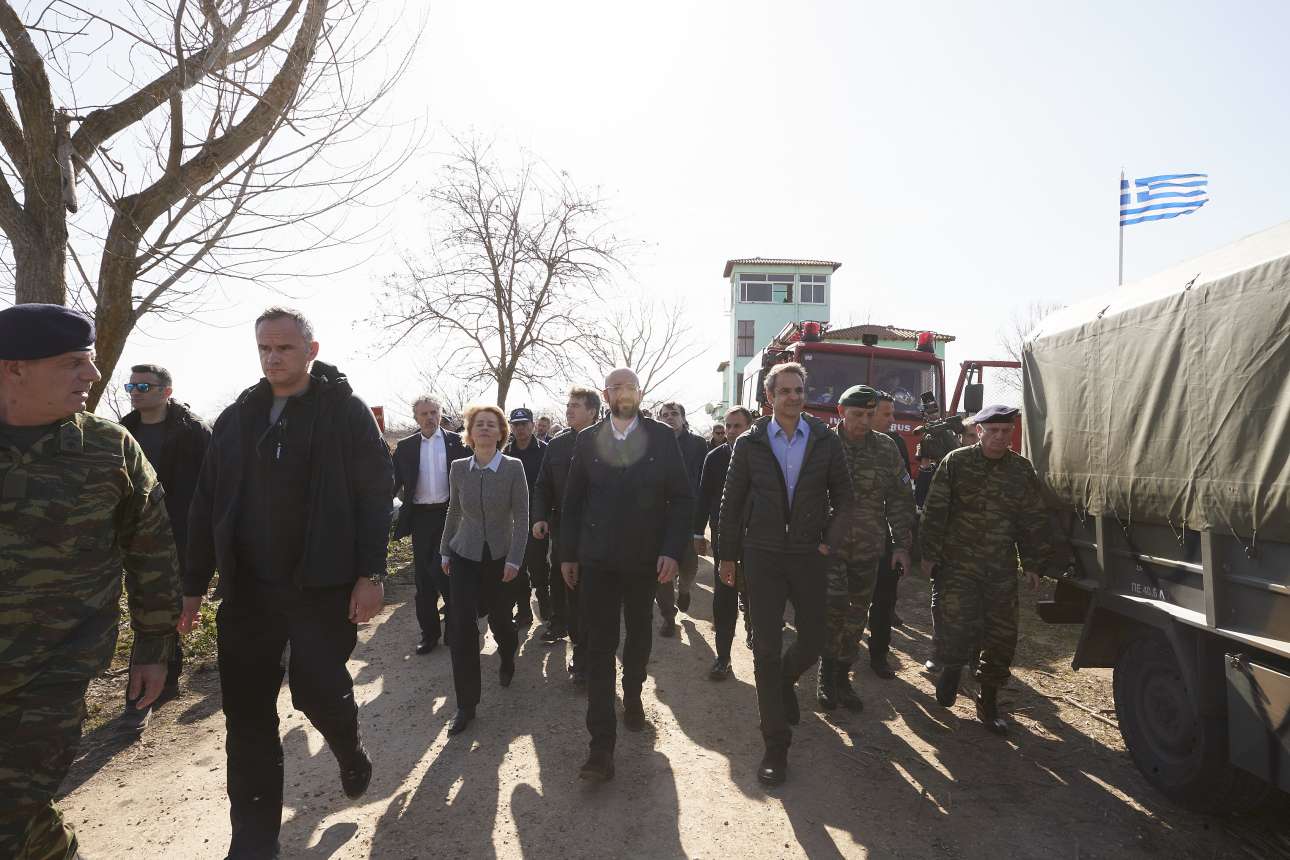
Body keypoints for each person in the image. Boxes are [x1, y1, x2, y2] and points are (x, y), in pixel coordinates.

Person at [184, 307, 393, 859]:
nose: (273, 358)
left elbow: (375, 496)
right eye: (264, 349)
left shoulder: (344, 413)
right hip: (249, 592)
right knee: (247, 717)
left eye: (284, 348)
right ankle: (254, 844)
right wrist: (191, 585)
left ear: (311, 350)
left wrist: (371, 574)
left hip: (321, 588)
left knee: (318, 691)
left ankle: (348, 749)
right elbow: (207, 503)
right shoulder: (238, 418)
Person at [0, 304, 181, 860]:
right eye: (73, 363)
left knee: (10, 813)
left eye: (91, 363)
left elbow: (151, 552)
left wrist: (153, 647)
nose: (92, 376)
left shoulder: (109, 449)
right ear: (14, 369)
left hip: (55, 669)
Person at [717, 362, 853, 787]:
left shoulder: (824, 439)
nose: (793, 396)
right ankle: (775, 746)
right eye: (785, 391)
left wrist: (830, 541)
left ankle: (784, 682)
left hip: (809, 556)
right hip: (763, 557)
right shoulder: (751, 442)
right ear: (769, 397)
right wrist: (727, 556)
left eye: (798, 390)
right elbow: (732, 502)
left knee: (813, 640)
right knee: (766, 650)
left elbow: (846, 499)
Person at [560, 368, 693, 782]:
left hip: (643, 561)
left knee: (637, 635)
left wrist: (672, 550)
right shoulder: (587, 441)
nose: (622, 393)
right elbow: (573, 502)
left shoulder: (661, 438)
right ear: (606, 394)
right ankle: (600, 748)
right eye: (615, 387)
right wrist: (568, 554)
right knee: (600, 647)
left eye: (629, 386)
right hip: (597, 562)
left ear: (640, 392)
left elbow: (682, 499)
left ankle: (633, 693)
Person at [919, 404, 1056, 734]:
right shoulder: (957, 462)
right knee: (954, 624)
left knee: (1001, 636)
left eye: (1005, 431)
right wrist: (930, 554)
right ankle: (951, 666)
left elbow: (1031, 519)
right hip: (957, 564)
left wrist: (1033, 564)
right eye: (992, 431)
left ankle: (989, 700)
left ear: (1012, 433)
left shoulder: (1020, 470)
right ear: (978, 432)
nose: (999, 437)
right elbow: (936, 509)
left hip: (1000, 567)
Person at [117, 363, 212, 733]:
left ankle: (146, 692)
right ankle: (162, 678)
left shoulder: (194, 431)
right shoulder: (123, 432)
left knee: (170, 600)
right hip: (134, 531)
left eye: (144, 385)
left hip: (181, 531)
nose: (136, 391)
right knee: (145, 598)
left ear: (166, 391)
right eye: (132, 385)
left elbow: (211, 484)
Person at [818, 386, 914, 712]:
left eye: (869, 415)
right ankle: (826, 674)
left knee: (857, 612)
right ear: (841, 412)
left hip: (869, 546)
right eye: (857, 414)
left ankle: (844, 675)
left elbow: (901, 499)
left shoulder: (886, 448)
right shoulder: (822, 444)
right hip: (828, 546)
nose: (864, 421)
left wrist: (901, 545)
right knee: (832, 609)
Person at [439, 404, 530, 735]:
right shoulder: (459, 467)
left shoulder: (513, 467)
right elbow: (452, 511)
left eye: (492, 424)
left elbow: (522, 516)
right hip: (464, 554)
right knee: (461, 627)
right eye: (480, 424)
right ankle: (466, 705)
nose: (486, 429)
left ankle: (507, 655)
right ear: (470, 431)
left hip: (500, 557)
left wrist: (515, 559)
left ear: (501, 432)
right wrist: (444, 550)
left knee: (502, 622)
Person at [392, 395, 469, 654]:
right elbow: (391, 483)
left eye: (433, 412)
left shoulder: (457, 442)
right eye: (423, 414)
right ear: (416, 418)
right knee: (424, 580)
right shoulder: (405, 447)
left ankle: (455, 629)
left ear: (441, 413)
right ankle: (429, 634)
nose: (429, 417)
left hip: (452, 515)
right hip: (421, 518)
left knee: (448, 573)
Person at [531, 387, 602, 664]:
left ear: (593, 411)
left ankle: (591, 652)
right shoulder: (557, 445)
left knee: (594, 595)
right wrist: (539, 517)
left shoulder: (608, 442)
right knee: (570, 587)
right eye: (568, 405)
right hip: (565, 529)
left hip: (600, 531)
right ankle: (579, 652)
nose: (569, 409)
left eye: (576, 405)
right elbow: (542, 485)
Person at [694, 406, 753, 680]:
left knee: (756, 593)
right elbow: (704, 496)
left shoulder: (762, 456)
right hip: (724, 537)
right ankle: (723, 656)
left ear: (749, 427)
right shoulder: (714, 458)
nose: (730, 431)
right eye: (728, 426)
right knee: (725, 595)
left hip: (757, 538)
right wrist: (697, 533)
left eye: (737, 426)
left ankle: (754, 632)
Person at [866, 390, 914, 679]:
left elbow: (902, 493)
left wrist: (901, 540)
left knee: (884, 598)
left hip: (884, 533)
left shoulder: (894, 444)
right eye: (887, 414)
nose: (893, 420)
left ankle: (879, 654)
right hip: (849, 537)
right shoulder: (836, 443)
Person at [654, 401, 708, 635]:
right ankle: (668, 616)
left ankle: (684, 590)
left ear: (683, 418)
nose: (669, 417)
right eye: (664, 415)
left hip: (687, 515)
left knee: (688, 566)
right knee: (661, 571)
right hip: (658, 518)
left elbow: (704, 483)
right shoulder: (653, 444)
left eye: (674, 414)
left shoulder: (698, 445)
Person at [503, 407, 547, 627]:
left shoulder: (545, 451)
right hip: (512, 518)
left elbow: (548, 486)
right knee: (517, 565)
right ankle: (523, 611)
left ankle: (546, 606)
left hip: (537, 516)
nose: (520, 429)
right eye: (516, 424)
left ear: (532, 425)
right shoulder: (505, 453)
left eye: (524, 424)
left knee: (538, 564)